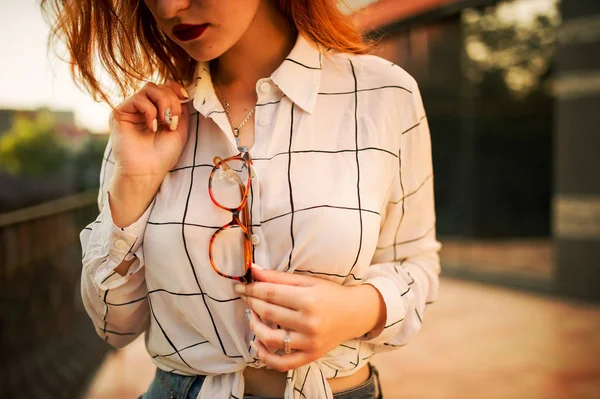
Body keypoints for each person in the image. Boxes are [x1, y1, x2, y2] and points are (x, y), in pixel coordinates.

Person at [42, 0, 442, 398]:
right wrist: (134, 184)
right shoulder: (146, 124)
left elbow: (417, 262)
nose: (169, 7)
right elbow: (115, 326)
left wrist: (356, 309)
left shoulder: (382, 94)